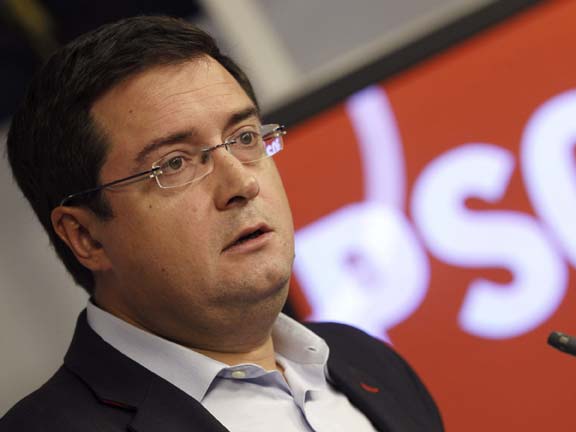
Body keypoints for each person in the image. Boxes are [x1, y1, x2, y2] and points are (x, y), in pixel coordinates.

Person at [0, 16, 443, 432]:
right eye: (174, 163)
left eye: (245, 138)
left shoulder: (369, 363)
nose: (242, 183)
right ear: (85, 236)